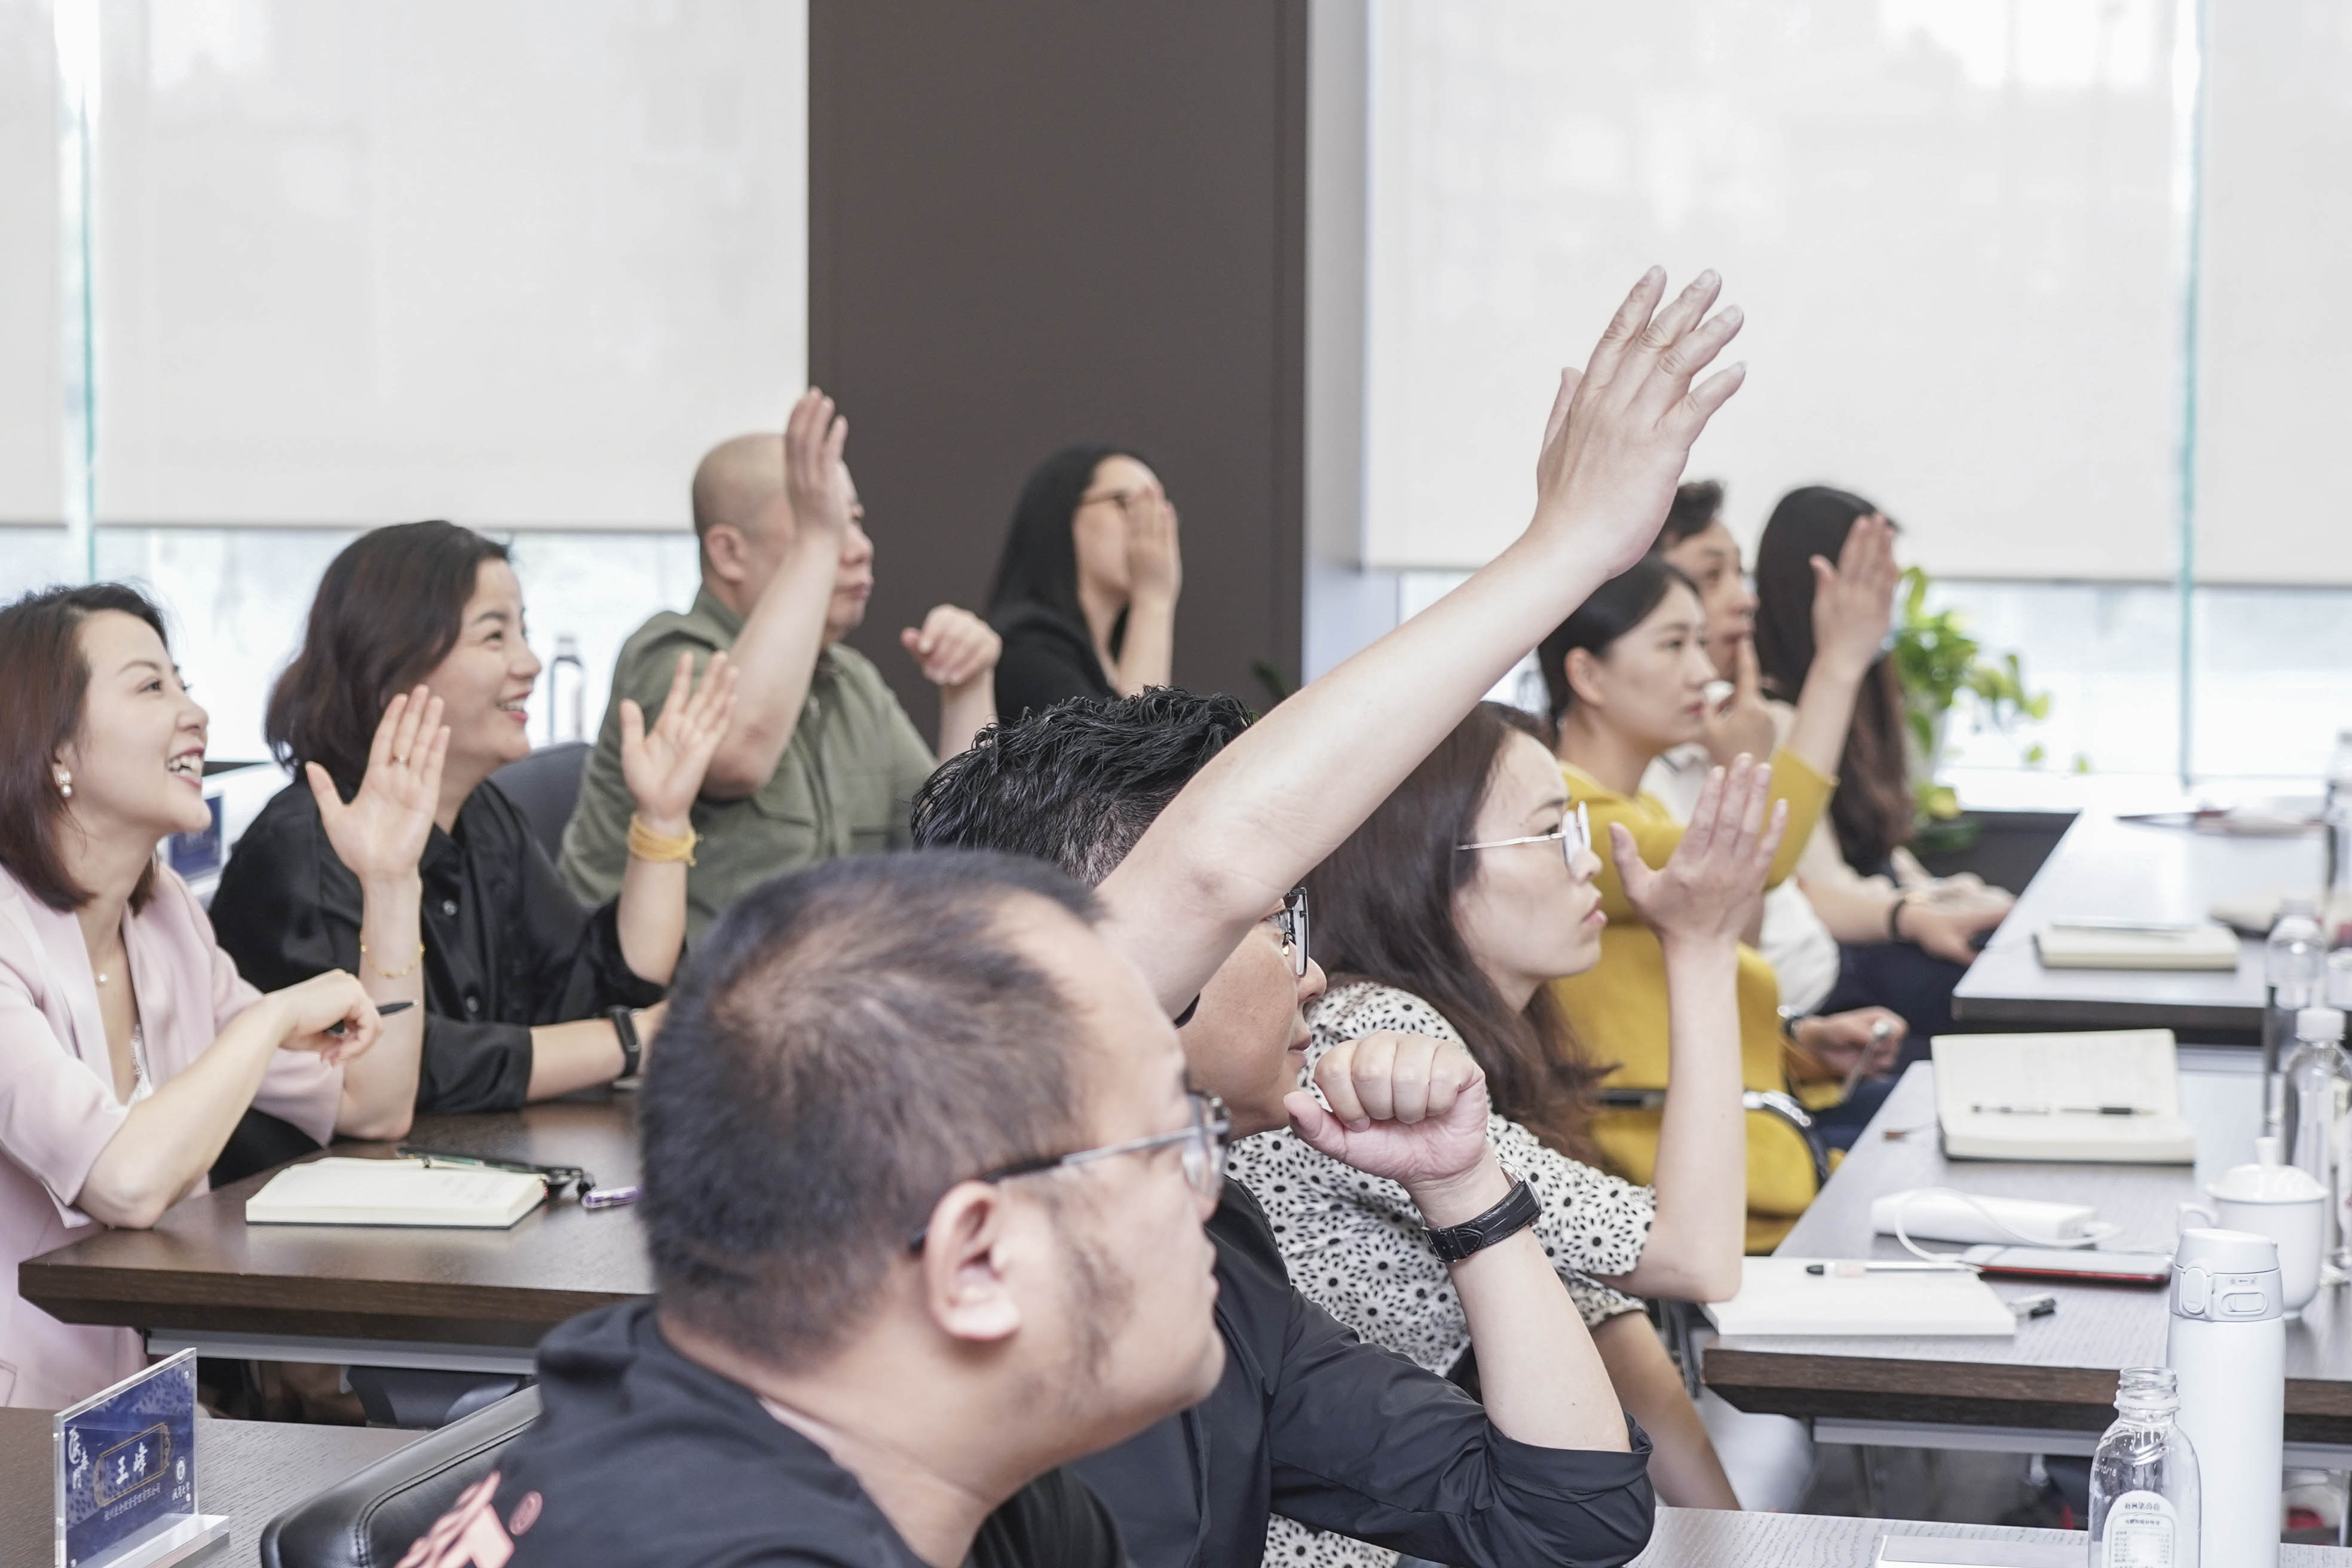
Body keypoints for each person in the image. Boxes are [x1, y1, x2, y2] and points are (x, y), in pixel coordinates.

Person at [911, 265, 1748, 1567]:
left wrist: (1471, 1189)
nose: (1315, 976)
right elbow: (1203, 873)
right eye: (1274, 924)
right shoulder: (954, 1180)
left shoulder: (1209, 1243)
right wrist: (1567, 548)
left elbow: (1569, 1516)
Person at [1223, 705, 1776, 1561]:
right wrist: (1700, 948)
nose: (1589, 861)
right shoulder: (1368, 1038)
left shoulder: (1435, 1029)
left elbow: (1598, 1311)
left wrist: (1739, 1537)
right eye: (1553, 833)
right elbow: (1693, 1255)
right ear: (1427, 861)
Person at [0, 584, 428, 1408]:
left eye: (183, 682)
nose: (194, 712)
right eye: (151, 686)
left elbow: (374, 1104)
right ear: (54, 748)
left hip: (148, 1411)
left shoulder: (166, 923)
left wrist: (390, 878)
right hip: (21, 1428)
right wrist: (268, 1020)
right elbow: (122, 1180)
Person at [213, 521, 736, 1113]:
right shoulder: (305, 846)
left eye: (524, 630)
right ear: (395, 664)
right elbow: (402, 1066)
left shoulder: (485, 818)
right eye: (495, 637)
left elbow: (599, 991)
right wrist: (630, 1040)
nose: (531, 662)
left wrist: (662, 820)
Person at [1541, 548, 1904, 1240]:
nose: (1704, 673)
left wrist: (1800, 1040)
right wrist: (1825, 680)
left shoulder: (1635, 811)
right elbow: (1754, 861)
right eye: (1674, 645)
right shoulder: (1575, 821)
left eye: (1701, 646)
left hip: (1741, 1130)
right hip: (1691, 1167)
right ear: (1586, 673)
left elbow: (1671, 989)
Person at [559, 393, 1002, 939]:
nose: (859, 548)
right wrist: (819, 542)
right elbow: (739, 755)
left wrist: (967, 689)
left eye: (853, 522)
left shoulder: (850, 678)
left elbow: (957, 844)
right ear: (728, 553)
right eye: (820, 522)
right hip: (667, 1010)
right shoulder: (669, 652)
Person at [1749, 485, 2013, 1049]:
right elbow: (1818, 883)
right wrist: (1921, 910)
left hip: (1884, 916)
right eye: (1872, 582)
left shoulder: (1864, 694)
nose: (1888, 600)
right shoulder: (1774, 717)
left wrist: (1948, 895)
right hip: (1846, 951)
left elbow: (1886, 855)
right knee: (1988, 994)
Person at [986, 443, 1181, 718]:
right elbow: (1132, 756)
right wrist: (1153, 600)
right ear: (1062, 514)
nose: (1150, 528)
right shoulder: (1025, 648)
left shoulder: (1115, 661)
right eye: (1127, 504)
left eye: (1158, 514)